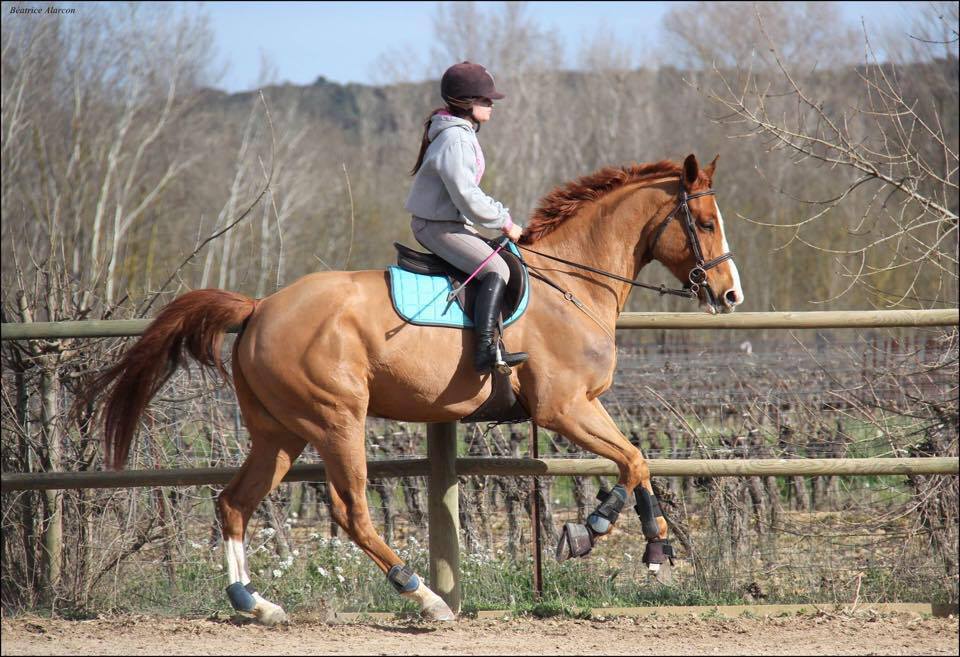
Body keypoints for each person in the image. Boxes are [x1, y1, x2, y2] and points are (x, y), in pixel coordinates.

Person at [404, 61, 527, 374]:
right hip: (437, 226)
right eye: (485, 100)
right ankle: (486, 349)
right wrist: (505, 222)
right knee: (497, 268)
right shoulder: (456, 139)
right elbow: (468, 196)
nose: (491, 105)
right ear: (466, 102)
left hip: (450, 223)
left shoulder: (459, 133)